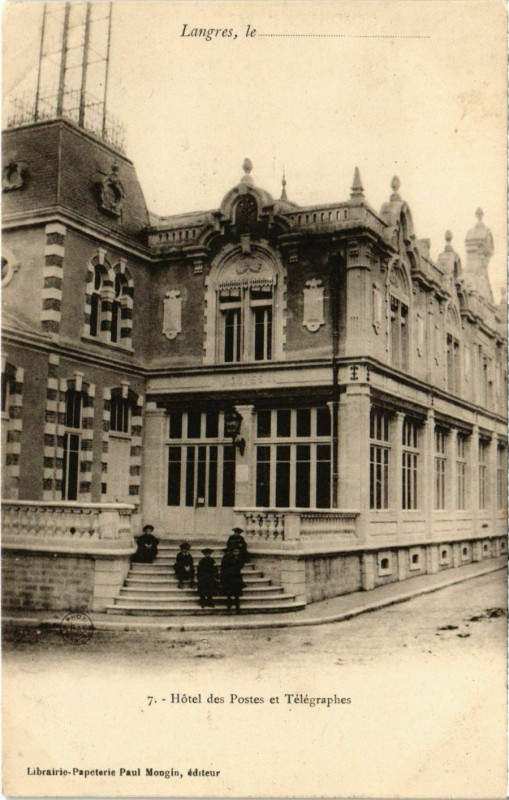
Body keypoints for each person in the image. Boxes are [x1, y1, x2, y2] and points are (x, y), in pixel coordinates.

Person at [220, 546, 245, 612]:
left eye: (237, 551)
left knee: (237, 593)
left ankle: (237, 606)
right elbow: (224, 566)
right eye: (235, 551)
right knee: (229, 592)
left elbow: (241, 565)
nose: (236, 553)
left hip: (237, 577)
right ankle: (229, 605)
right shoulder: (228, 558)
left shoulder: (239, 558)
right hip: (230, 577)